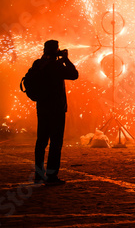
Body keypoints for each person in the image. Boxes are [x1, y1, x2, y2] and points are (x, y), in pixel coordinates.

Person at [33, 40, 78, 185]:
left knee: (41, 142)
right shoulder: (56, 66)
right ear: (55, 50)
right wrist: (66, 59)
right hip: (56, 109)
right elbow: (74, 74)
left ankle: (38, 174)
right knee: (55, 143)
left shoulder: (38, 64)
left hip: (42, 108)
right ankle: (51, 176)